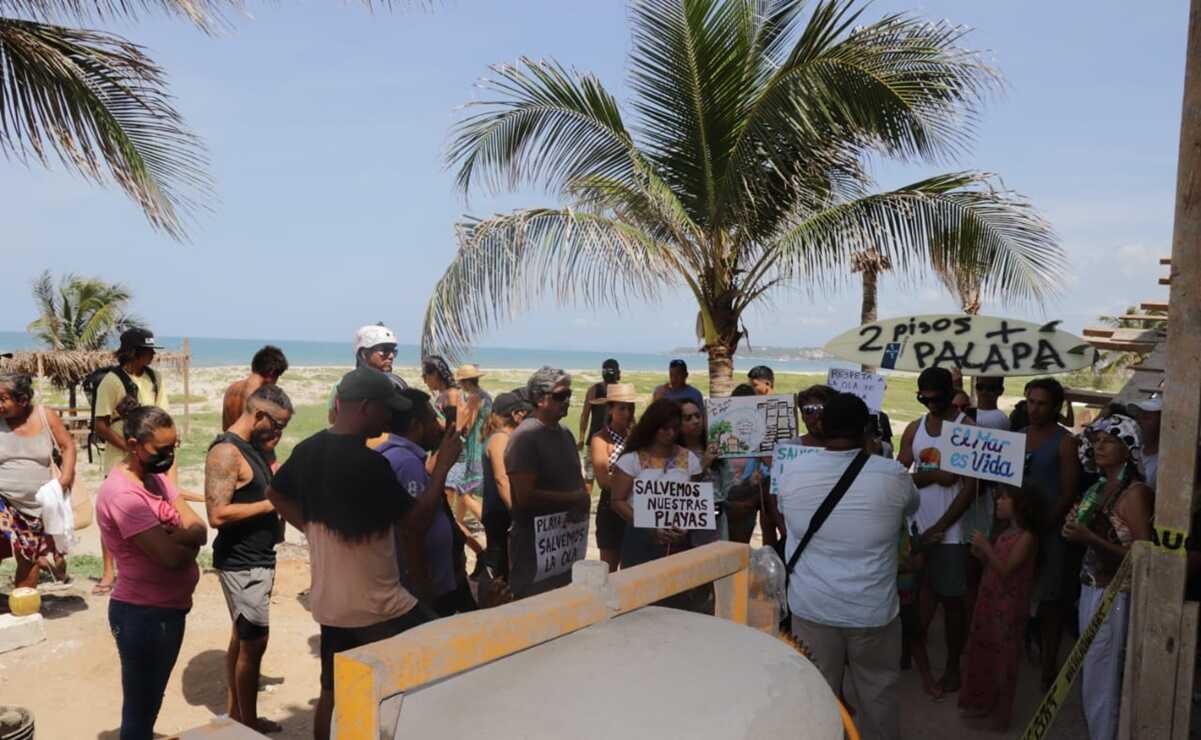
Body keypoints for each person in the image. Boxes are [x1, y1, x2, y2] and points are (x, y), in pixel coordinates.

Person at [266, 367, 460, 740]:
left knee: (332, 693)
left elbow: (276, 494)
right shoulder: (371, 464)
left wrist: (312, 530)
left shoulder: (308, 450)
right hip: (379, 607)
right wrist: (442, 469)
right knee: (438, 660)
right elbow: (415, 524)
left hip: (331, 604)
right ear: (367, 407)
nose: (390, 417)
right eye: (386, 408)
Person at [778, 392, 919, 740]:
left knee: (818, 693)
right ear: (868, 430)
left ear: (822, 425)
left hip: (812, 608)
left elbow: (785, 513)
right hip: (872, 611)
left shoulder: (793, 471)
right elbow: (910, 508)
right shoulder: (893, 475)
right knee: (878, 694)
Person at [96, 406, 206, 740]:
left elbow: (199, 529)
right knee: (140, 710)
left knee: (149, 701)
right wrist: (182, 538)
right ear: (133, 444)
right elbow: (170, 559)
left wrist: (179, 536)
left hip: (167, 610)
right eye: (162, 450)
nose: (169, 456)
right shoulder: (123, 495)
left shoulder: (155, 479)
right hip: (144, 615)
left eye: (174, 447)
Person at [205, 385, 294, 734]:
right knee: (254, 642)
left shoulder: (253, 449)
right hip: (242, 563)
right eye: (277, 424)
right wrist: (270, 504)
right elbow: (217, 514)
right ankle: (248, 724)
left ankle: (240, 716)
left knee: (242, 637)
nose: (279, 432)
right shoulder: (226, 452)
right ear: (259, 415)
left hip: (258, 558)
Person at [1065, 414, 1153, 740]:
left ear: (1128, 449)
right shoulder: (1101, 487)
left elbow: (1145, 556)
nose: (1099, 446)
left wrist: (1090, 538)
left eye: (1109, 441)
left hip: (1116, 595)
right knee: (1093, 673)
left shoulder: (1134, 494)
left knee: (1104, 678)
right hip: (1092, 587)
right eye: (1096, 441)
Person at [898, 366, 978, 697]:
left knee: (952, 603)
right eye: (923, 397)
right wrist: (931, 477)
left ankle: (953, 668)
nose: (930, 403)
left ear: (951, 394)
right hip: (917, 527)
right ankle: (919, 663)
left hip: (951, 533)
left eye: (936, 398)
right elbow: (898, 474)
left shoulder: (967, 428)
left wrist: (941, 527)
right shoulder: (915, 429)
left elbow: (971, 487)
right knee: (916, 599)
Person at [378, 388, 494, 617]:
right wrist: (424, 589)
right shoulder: (406, 463)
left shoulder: (399, 457)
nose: (439, 426)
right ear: (415, 425)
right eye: (432, 419)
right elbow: (414, 527)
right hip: (427, 588)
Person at [610, 398, 716, 611]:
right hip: (640, 541)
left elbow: (690, 502)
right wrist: (648, 526)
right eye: (664, 429)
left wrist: (683, 529)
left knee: (677, 602)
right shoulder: (631, 460)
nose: (670, 434)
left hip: (680, 543)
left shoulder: (689, 459)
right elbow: (617, 501)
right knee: (639, 602)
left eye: (675, 429)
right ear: (652, 428)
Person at [93, 328, 171, 595]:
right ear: (133, 352)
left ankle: (145, 565)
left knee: (153, 511)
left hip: (149, 458)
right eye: (148, 350)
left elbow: (162, 416)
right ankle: (108, 572)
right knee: (113, 517)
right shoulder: (112, 382)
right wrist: (127, 446)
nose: (152, 355)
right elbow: (100, 425)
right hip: (120, 459)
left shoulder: (154, 379)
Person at [959, 485, 1040, 730]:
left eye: (1003, 498)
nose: (998, 502)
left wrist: (986, 548)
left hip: (1008, 606)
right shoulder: (1004, 533)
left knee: (1003, 659)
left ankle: (1001, 714)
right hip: (989, 600)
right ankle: (983, 702)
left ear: (1018, 503)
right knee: (984, 651)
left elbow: (1006, 569)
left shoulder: (1027, 537)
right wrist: (980, 551)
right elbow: (993, 562)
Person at [504, 366, 589, 599]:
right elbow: (525, 495)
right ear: (540, 399)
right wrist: (572, 498)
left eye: (569, 395)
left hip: (564, 544)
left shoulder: (566, 434)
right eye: (561, 396)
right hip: (534, 547)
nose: (567, 401)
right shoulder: (525, 438)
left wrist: (581, 498)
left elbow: (576, 478)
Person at [1021, 376, 1081, 690]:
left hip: (1052, 532)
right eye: (1031, 401)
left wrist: (1045, 524)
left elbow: (1068, 491)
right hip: (1020, 529)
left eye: (1042, 403)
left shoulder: (1065, 441)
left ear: (1055, 407)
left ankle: (1048, 666)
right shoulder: (1016, 437)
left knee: (1052, 602)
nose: (1035, 409)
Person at [0, 372, 77, 587]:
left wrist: (66, 477)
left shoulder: (45, 416)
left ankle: (23, 605)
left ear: (23, 400)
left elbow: (67, 446)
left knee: (27, 558)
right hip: (3, 499)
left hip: (37, 506)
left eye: (3, 399)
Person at [481, 391, 532, 580]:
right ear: (515, 414)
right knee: (498, 566)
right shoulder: (501, 439)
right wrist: (517, 513)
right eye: (523, 413)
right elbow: (502, 481)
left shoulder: (507, 437)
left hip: (501, 511)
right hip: (500, 513)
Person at [589, 383, 636, 571]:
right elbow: (603, 481)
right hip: (611, 508)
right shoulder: (600, 439)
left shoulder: (636, 435)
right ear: (610, 410)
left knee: (632, 567)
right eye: (622, 408)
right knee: (608, 569)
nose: (628, 413)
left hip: (634, 505)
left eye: (630, 408)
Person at [327, 324, 406, 426]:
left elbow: (332, 420)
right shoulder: (341, 385)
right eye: (385, 350)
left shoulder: (397, 384)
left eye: (393, 351)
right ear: (364, 354)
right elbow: (333, 419)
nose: (391, 356)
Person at [446, 364, 493, 529]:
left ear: (465, 382)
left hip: (474, 445)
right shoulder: (486, 395)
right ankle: (458, 523)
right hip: (484, 440)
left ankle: (490, 523)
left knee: (464, 491)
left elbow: (467, 424)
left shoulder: (473, 397)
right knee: (468, 489)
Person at [222, 346, 289, 431]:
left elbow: (225, 428)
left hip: (229, 442)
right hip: (247, 443)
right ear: (271, 373)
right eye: (278, 376)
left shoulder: (231, 388)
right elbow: (258, 433)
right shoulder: (258, 397)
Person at [578, 359, 621, 489]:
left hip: (608, 441)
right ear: (618, 372)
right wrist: (581, 438)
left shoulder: (595, 389)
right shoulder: (617, 390)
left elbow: (584, 416)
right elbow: (585, 416)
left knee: (591, 478)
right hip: (610, 442)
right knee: (595, 477)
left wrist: (581, 438)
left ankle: (589, 506)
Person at [1129, 397, 1161, 489]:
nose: (1139, 422)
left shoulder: (1170, 460)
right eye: (1137, 417)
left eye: (1146, 418)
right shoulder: (1132, 450)